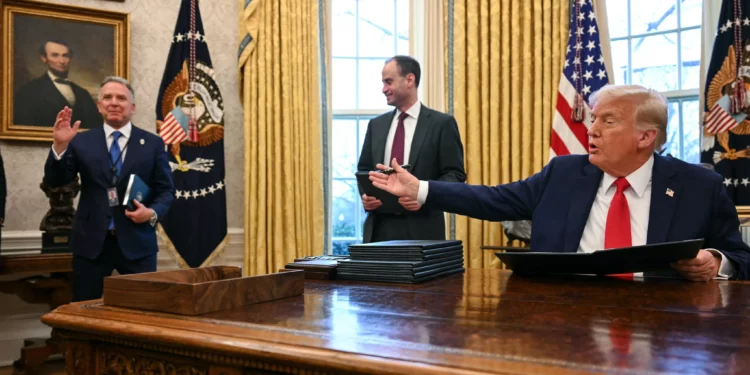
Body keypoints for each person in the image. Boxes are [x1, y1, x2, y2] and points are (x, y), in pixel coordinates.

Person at [370, 84, 750, 281]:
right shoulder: (564, 173)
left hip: (667, 326)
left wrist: (716, 262)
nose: (592, 129)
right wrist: (419, 188)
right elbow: (494, 199)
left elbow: (741, 258)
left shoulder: (699, 186)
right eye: (594, 118)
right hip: (565, 316)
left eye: (608, 121)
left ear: (646, 137)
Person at [44, 76, 175, 301]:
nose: (114, 102)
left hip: (137, 243)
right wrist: (60, 146)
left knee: (143, 310)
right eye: (107, 97)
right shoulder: (80, 141)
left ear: (132, 107)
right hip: (91, 243)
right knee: (85, 310)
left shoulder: (152, 144)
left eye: (121, 98)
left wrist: (151, 213)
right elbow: (57, 181)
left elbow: (166, 191)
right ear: (99, 106)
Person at [357, 55, 466, 242]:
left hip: (423, 229)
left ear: (409, 80)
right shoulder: (376, 125)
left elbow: (455, 175)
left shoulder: (442, 124)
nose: (384, 89)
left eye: (388, 82)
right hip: (378, 231)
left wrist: (425, 197)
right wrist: (367, 196)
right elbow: (364, 170)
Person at [14, 39, 100, 129]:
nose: (62, 61)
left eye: (65, 56)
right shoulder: (29, 91)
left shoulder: (83, 94)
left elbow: (95, 127)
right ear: (44, 58)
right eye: (55, 55)